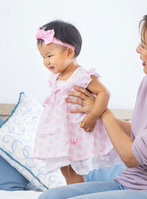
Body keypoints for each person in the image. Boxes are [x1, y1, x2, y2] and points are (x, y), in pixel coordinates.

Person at [39, 7, 147, 199]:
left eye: (144, 45)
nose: (137, 50)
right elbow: (138, 133)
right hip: (131, 183)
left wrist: (102, 113)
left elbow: (131, 157)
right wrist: (95, 112)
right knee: (49, 198)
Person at [32, 20, 121, 185]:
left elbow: (104, 93)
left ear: (68, 52)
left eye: (50, 56)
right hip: (59, 133)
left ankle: (76, 192)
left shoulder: (81, 75)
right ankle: (70, 191)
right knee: (63, 168)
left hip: (75, 132)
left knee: (73, 169)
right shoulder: (55, 77)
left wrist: (94, 115)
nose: (46, 61)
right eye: (43, 57)